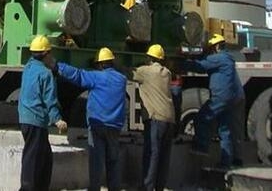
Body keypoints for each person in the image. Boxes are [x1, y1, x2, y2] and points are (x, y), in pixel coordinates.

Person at [52, 47, 126, 191]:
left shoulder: (96, 77)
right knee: (113, 160)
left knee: (96, 161)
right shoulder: (121, 79)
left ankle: (95, 188)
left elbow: (77, 75)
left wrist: (58, 66)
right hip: (115, 126)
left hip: (97, 125)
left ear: (100, 64)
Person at [186, 33, 245, 168]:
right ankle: (226, 162)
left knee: (201, 118)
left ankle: (201, 147)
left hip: (221, 97)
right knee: (225, 129)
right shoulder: (227, 58)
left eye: (211, 48)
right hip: (232, 98)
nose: (210, 51)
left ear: (217, 47)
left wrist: (180, 62)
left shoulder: (219, 58)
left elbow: (199, 66)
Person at [18, 35, 67, 191]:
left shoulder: (28, 68)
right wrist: (57, 119)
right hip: (36, 120)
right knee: (33, 160)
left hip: (25, 119)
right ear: (46, 54)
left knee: (44, 158)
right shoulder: (45, 74)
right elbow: (49, 99)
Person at [132, 44, 175, 191]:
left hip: (156, 118)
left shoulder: (146, 71)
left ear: (149, 58)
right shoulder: (167, 73)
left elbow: (128, 73)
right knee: (164, 156)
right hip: (170, 119)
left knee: (152, 154)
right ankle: (159, 187)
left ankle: (147, 187)